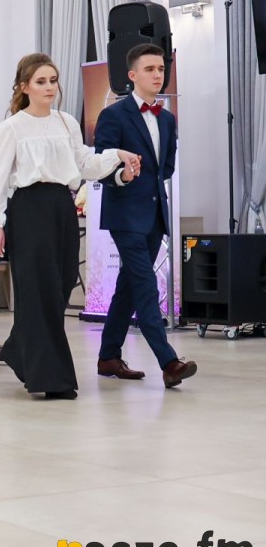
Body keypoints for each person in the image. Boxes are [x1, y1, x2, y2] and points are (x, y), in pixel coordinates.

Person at [0, 54, 139, 399]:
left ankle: (19, 349)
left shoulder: (67, 122)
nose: (49, 87)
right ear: (24, 87)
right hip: (28, 210)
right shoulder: (11, 128)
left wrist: (117, 156)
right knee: (38, 291)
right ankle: (52, 379)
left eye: (53, 80)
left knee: (62, 283)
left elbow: (84, 163)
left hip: (61, 209)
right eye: (41, 81)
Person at [94, 44, 197, 388]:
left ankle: (108, 356)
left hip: (154, 215)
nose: (157, 74)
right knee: (145, 284)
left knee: (129, 286)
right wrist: (124, 175)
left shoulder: (167, 119)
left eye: (161, 69)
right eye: (150, 69)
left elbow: (165, 168)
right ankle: (168, 362)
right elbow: (102, 164)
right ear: (132, 75)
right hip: (124, 214)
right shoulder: (113, 115)